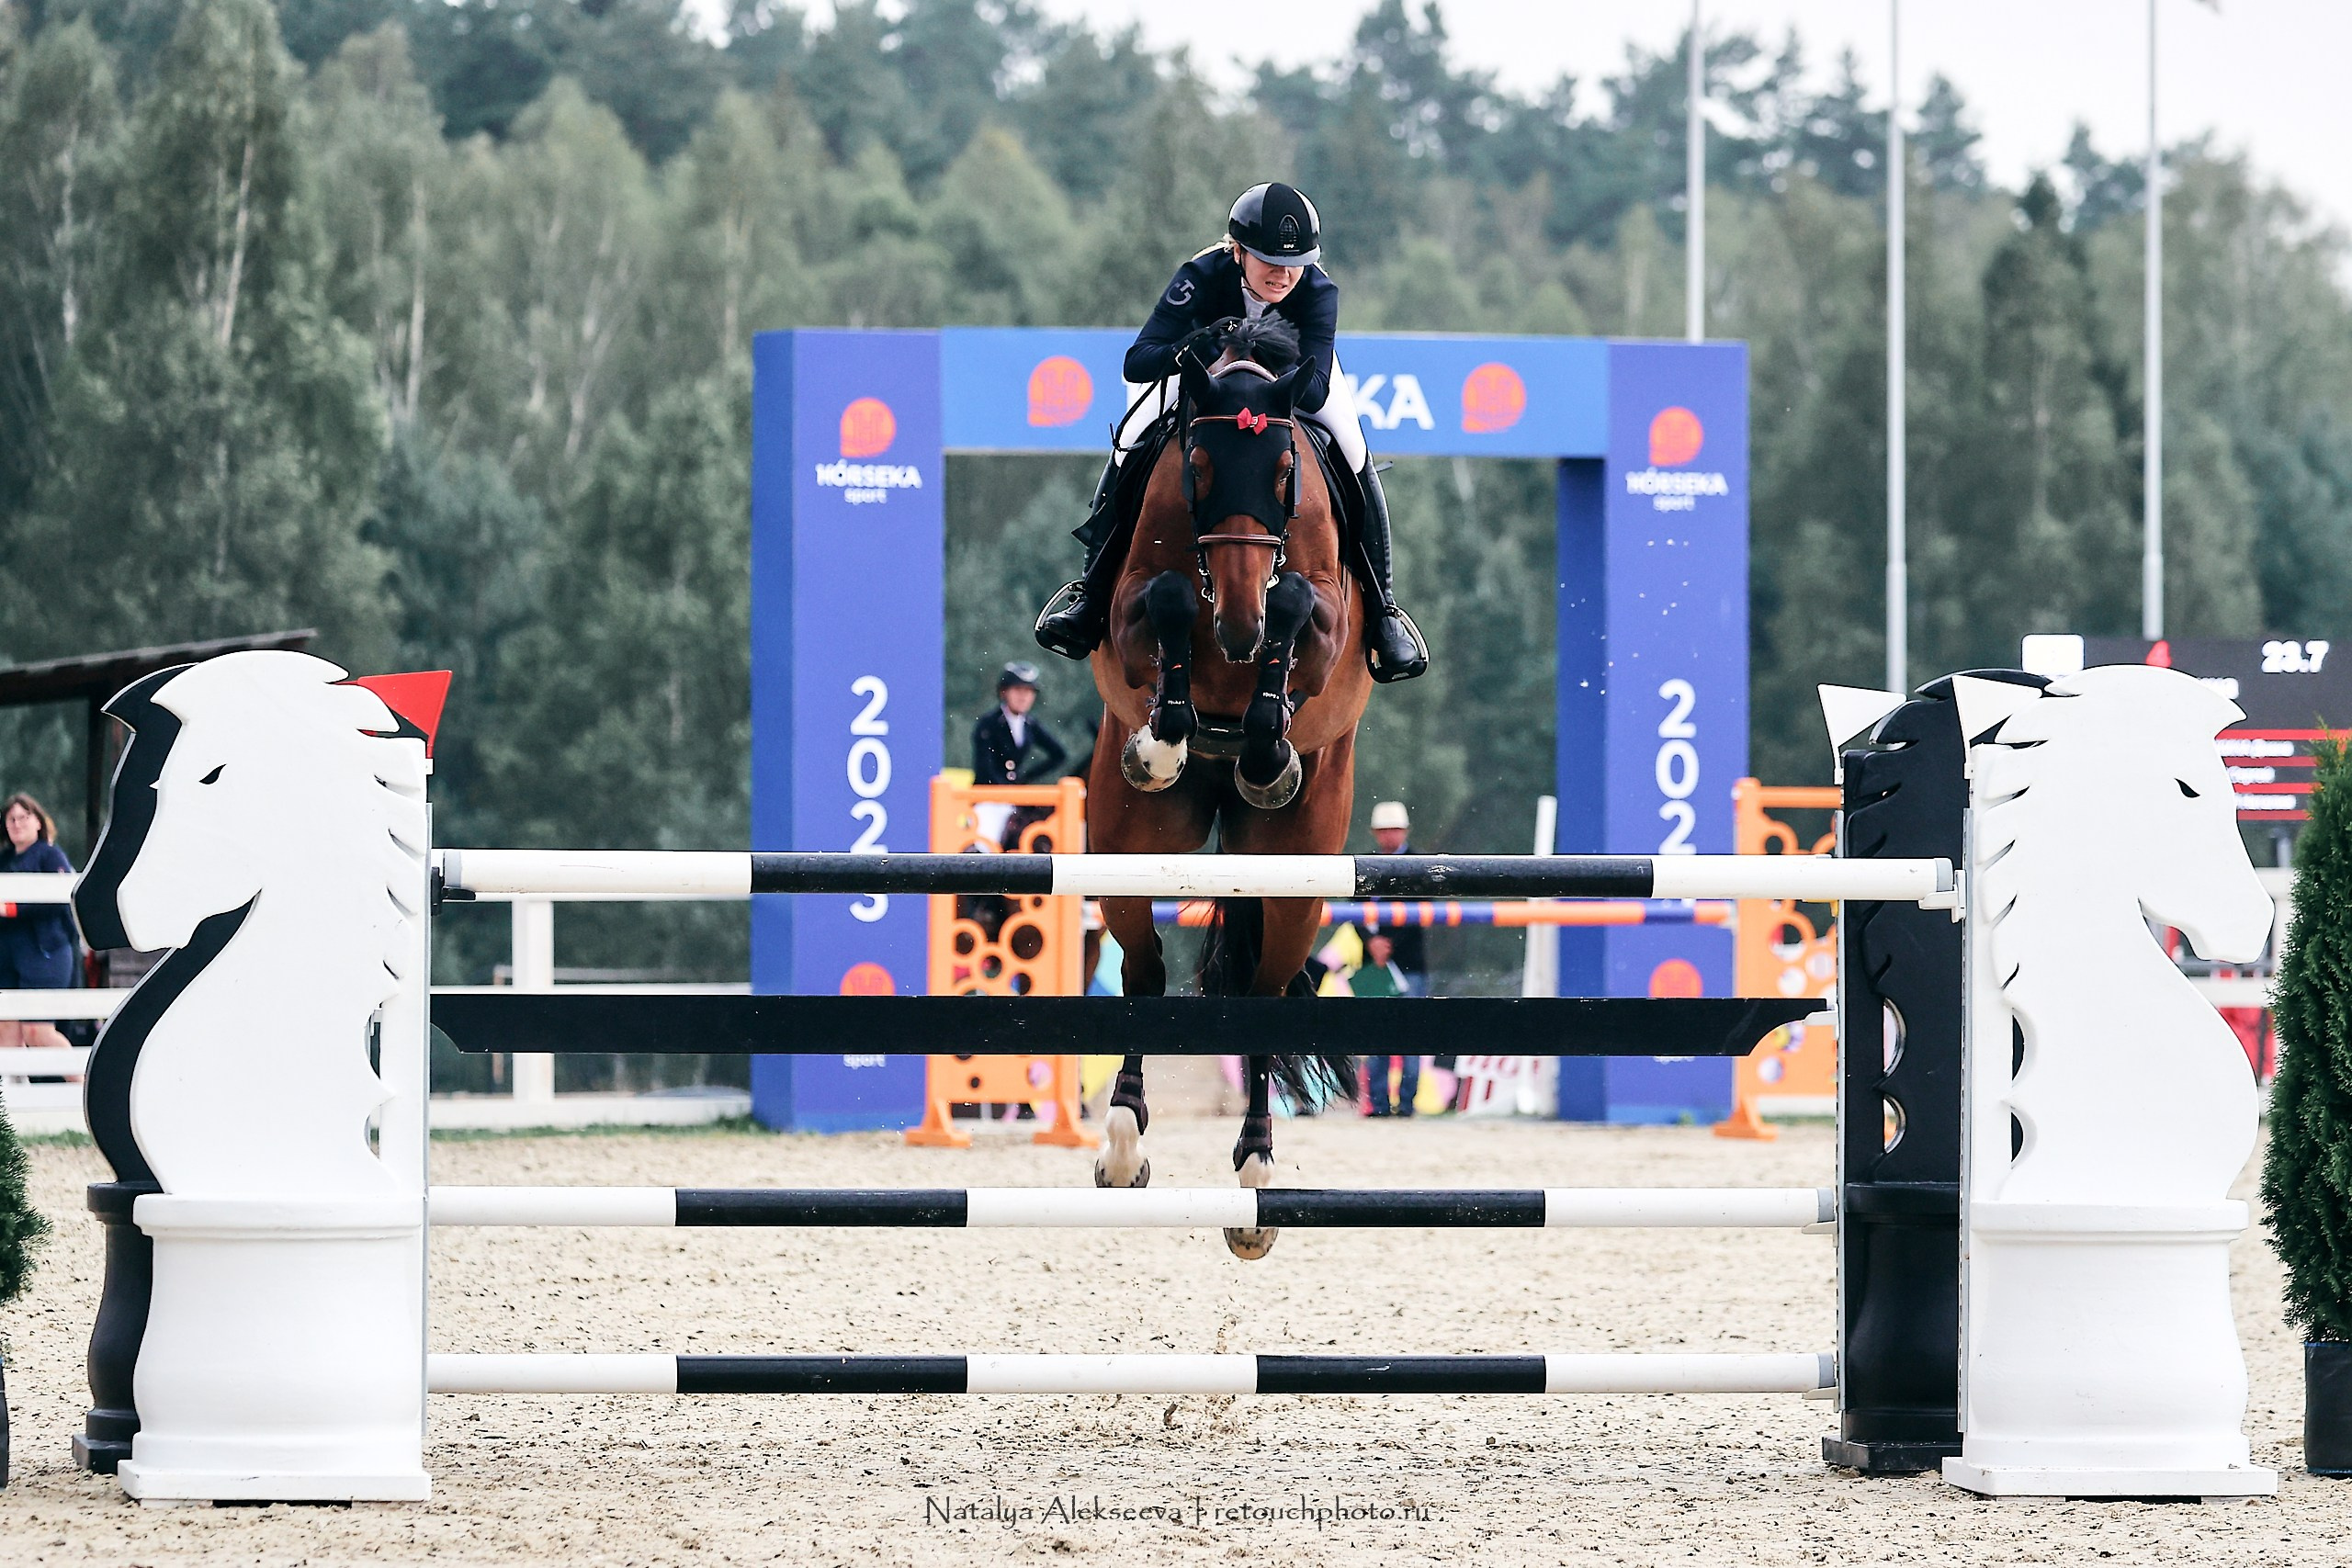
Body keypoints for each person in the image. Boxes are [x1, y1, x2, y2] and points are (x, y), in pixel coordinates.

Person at [1034, 181, 1428, 683]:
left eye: (1296, 261)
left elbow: (1316, 387)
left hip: (1284, 387)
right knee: (1132, 439)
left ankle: (1385, 609)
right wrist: (1196, 348)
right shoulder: (1200, 275)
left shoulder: (1318, 291)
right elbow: (1138, 362)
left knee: (1354, 453)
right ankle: (1089, 596)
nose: (1284, 274)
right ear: (1237, 251)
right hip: (1202, 379)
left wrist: (1261, 364)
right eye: (1268, 260)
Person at [0, 793, 79, 1054]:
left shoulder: (50, 856)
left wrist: (12, 909)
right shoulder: (4, 860)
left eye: (24, 816)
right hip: (8, 957)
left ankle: (83, 1085)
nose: (17, 823)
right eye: (11, 819)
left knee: (38, 1032)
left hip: (46, 953)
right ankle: (11, 1094)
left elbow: (59, 899)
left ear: (38, 821)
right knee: (6, 1032)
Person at [1353, 932, 1421, 1116]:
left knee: (1411, 1037)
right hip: (1375, 966)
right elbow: (1356, 908)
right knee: (1376, 1037)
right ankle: (1378, 1104)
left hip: (1407, 965)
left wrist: (1386, 945)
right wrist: (1371, 941)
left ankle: (1406, 1104)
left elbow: (1419, 908)